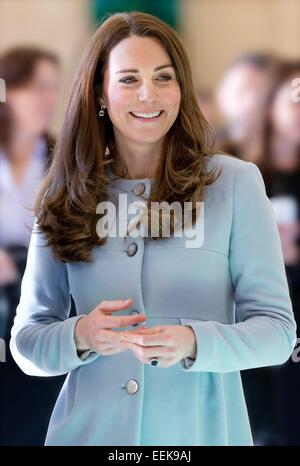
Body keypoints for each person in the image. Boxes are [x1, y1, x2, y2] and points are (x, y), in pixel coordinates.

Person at [10, 12, 296, 446]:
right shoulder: (63, 195)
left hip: (201, 433)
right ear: (100, 94)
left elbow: (278, 333)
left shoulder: (235, 184)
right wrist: (80, 335)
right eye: (128, 79)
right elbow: (27, 343)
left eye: (164, 77)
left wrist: (193, 341)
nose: (149, 94)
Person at [0, 46, 64, 445]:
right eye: (38, 87)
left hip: (38, 293)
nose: (49, 99)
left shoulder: (61, 158)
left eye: (53, 88)